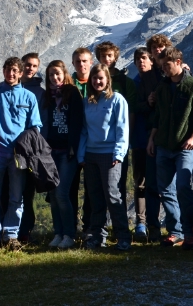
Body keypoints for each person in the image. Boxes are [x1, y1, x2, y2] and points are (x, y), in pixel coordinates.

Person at [146, 47, 193, 250]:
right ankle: (175, 231)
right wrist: (152, 139)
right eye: (162, 66)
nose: (164, 69)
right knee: (165, 190)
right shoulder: (162, 87)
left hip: (185, 146)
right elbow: (158, 116)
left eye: (167, 65)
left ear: (179, 62)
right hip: (163, 145)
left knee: (183, 187)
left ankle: (190, 233)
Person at [0, 57, 42, 253]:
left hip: (19, 155)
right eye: (8, 69)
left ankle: (11, 235)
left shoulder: (29, 97)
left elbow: (35, 127)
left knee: (16, 197)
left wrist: (27, 151)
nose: (11, 73)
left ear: (21, 73)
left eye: (15, 70)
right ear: (3, 70)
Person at [79, 64, 131, 251]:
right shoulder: (87, 102)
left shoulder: (117, 99)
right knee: (95, 197)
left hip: (110, 155)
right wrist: (81, 154)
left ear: (108, 79)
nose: (97, 81)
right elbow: (84, 130)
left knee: (112, 194)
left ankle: (123, 236)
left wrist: (119, 153)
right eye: (94, 78)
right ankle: (98, 236)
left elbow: (122, 129)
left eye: (101, 78)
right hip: (91, 155)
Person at [94, 42, 137, 239]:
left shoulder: (124, 85)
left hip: (116, 148)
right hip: (94, 149)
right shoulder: (92, 92)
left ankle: (121, 232)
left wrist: (123, 146)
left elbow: (128, 117)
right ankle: (99, 232)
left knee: (115, 191)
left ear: (116, 57)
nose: (107, 59)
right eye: (103, 56)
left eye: (110, 55)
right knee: (97, 194)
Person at [41, 60, 84, 249]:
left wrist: (73, 148)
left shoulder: (72, 93)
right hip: (51, 152)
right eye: (51, 74)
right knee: (52, 193)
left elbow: (77, 122)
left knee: (62, 193)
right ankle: (58, 233)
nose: (54, 77)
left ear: (64, 73)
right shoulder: (48, 96)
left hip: (68, 152)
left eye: (57, 73)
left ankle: (69, 234)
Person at [132, 47, 167, 243]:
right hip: (139, 139)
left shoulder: (161, 79)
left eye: (144, 58)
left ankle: (161, 223)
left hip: (158, 139)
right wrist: (147, 103)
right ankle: (141, 223)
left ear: (152, 60)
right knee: (141, 182)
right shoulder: (134, 83)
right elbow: (133, 107)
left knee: (159, 182)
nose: (141, 62)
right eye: (138, 59)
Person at [18, 52, 44, 241]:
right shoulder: (11, 87)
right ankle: (10, 229)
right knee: (10, 191)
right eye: (27, 65)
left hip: (32, 149)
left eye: (34, 66)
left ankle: (25, 231)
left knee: (28, 192)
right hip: (10, 147)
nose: (30, 69)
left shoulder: (41, 93)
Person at [70, 47, 93, 235]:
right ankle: (70, 226)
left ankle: (89, 226)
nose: (81, 64)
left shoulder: (98, 83)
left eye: (84, 61)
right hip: (72, 142)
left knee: (92, 187)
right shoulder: (68, 85)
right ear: (73, 63)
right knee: (71, 186)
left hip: (93, 142)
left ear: (91, 62)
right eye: (78, 61)